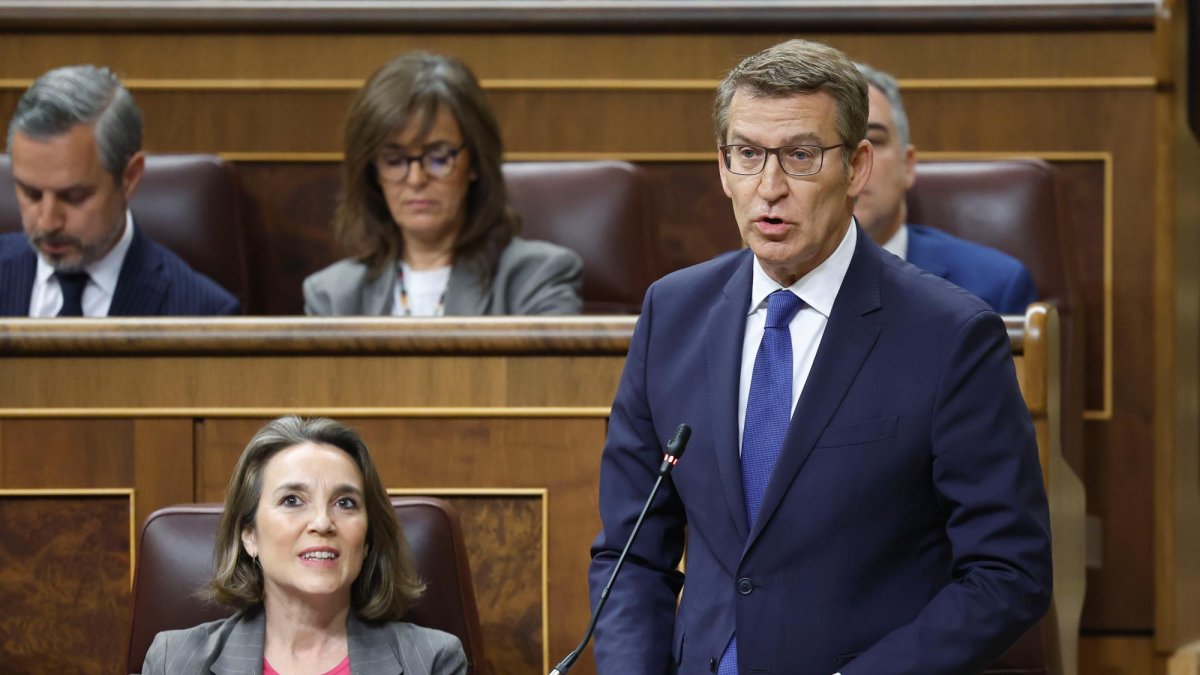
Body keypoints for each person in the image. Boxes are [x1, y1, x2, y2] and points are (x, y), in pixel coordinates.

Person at [588, 39, 1052, 675]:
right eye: (748, 155)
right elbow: (631, 555)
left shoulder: (952, 335)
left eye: (801, 156)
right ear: (722, 168)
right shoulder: (673, 315)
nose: (769, 188)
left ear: (857, 167)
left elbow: (1008, 572)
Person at [141, 416, 466, 675]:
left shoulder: (431, 661)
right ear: (249, 534)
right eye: (292, 500)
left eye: (346, 503)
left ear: (366, 541)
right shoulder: (175, 662)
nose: (323, 523)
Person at [304, 51, 582, 316]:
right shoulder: (333, 296)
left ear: (474, 163)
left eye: (438, 158)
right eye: (394, 160)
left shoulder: (535, 277)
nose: (416, 179)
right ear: (373, 173)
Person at [1, 65, 240, 317]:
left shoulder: (202, 313)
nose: (48, 223)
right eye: (31, 194)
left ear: (129, 177)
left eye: (74, 197)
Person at [853, 62, 1037, 314]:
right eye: (830, 146)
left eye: (873, 141)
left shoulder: (992, 288)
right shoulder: (780, 282)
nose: (853, 165)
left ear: (907, 165)